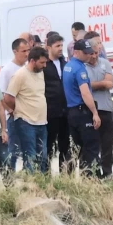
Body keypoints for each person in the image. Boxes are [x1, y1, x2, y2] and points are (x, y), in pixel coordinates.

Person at [3, 46, 49, 173]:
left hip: (42, 121)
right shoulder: (20, 75)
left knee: (43, 156)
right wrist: (15, 110)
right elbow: (8, 97)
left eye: (45, 62)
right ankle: (31, 185)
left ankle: (40, 183)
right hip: (26, 121)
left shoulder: (40, 73)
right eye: (42, 62)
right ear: (32, 61)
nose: (44, 65)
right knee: (30, 156)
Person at [61, 40, 100, 176]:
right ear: (76, 52)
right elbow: (85, 92)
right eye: (86, 53)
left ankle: (66, 177)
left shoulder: (68, 66)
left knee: (74, 147)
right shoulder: (79, 68)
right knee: (91, 147)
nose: (89, 56)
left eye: (90, 52)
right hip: (82, 111)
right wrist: (94, 113)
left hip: (72, 111)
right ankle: (90, 178)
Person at [83, 32, 113, 179]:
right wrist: (102, 83)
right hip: (91, 110)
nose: (95, 56)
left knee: (108, 143)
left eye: (97, 53)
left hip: (106, 108)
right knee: (93, 145)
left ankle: (108, 172)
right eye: (92, 53)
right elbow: (86, 86)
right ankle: (94, 174)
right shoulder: (82, 67)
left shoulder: (105, 63)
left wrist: (98, 84)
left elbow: (110, 83)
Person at [0, 37, 30, 172]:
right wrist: (10, 110)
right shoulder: (7, 70)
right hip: (13, 117)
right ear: (15, 51)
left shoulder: (28, 68)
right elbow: (0, 95)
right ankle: (10, 179)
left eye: (28, 50)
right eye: (23, 51)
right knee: (13, 151)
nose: (27, 54)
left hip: (28, 116)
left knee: (28, 149)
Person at [41, 34, 71, 173]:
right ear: (48, 47)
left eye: (61, 46)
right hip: (50, 111)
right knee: (48, 146)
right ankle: (46, 176)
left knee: (66, 145)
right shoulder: (44, 65)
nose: (60, 49)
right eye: (57, 46)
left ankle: (66, 175)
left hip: (66, 111)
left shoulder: (64, 63)